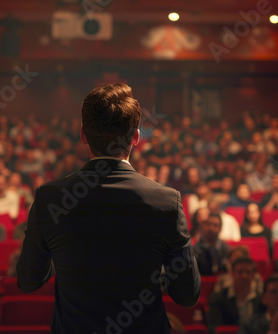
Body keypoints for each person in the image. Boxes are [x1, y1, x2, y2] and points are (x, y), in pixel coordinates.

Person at [17, 83, 200, 333]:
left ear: (83, 134)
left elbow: (28, 281)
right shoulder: (166, 200)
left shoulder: (50, 197)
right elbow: (186, 294)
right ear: (135, 137)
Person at [207, 257, 262, 334]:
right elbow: (214, 328)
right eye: (240, 272)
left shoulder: (261, 299)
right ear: (232, 273)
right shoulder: (218, 298)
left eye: (248, 272)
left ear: (253, 275)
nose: (244, 276)